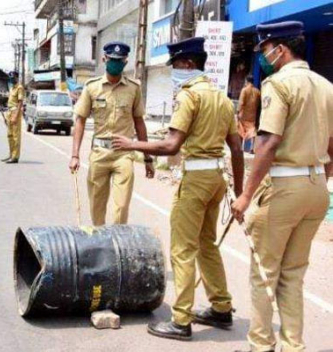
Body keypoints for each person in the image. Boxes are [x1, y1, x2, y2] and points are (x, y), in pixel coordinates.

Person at [111, 37, 245, 340]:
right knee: (207, 245)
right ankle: (221, 308)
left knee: (183, 250)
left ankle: (181, 320)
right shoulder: (222, 98)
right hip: (216, 180)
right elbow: (236, 149)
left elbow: (172, 144)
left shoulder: (189, 97)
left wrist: (133, 143)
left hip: (196, 180)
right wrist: (238, 190)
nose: (175, 72)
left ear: (187, 64)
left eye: (176, 66)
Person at [231, 21, 333, 352]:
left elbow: (268, 144)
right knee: (293, 274)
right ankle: (293, 346)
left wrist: (246, 195)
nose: (263, 56)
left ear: (280, 49)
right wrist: (321, 178)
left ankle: (260, 346)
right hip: (316, 186)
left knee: (264, 273)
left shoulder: (278, 84)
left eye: (264, 50)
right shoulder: (325, 86)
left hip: (283, 188)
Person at [69, 41, 154, 226]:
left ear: (125, 62)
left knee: (121, 208)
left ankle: (117, 245)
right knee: (96, 208)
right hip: (99, 154)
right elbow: (80, 120)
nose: (115, 63)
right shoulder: (92, 87)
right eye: (112, 59)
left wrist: (147, 158)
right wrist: (75, 155)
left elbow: (139, 123)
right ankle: (101, 242)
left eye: (119, 60)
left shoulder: (134, 88)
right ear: (104, 59)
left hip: (123, 155)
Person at [2, 71, 24, 164]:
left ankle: (15, 157)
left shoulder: (19, 87)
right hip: (9, 111)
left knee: (15, 136)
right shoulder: (11, 88)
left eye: (13, 77)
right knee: (9, 135)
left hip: (15, 111)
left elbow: (20, 102)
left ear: (16, 77)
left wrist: (15, 115)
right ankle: (11, 154)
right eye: (10, 77)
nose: (11, 79)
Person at [237, 75, 261, 151]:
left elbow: (241, 103)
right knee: (252, 130)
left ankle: (240, 146)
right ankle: (251, 147)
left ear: (246, 81)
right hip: (252, 115)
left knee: (241, 130)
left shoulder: (244, 90)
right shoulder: (257, 91)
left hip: (244, 114)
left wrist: (238, 112)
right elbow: (258, 104)